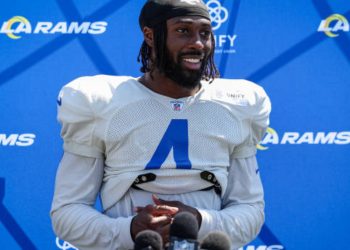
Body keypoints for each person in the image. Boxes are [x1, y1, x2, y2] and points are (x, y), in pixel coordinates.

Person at [50, 0, 271, 249]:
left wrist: (201, 221)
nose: (198, 43)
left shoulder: (238, 104)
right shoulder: (99, 102)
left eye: (205, 33)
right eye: (183, 31)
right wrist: (130, 229)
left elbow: (250, 210)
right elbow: (67, 211)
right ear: (150, 35)